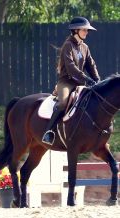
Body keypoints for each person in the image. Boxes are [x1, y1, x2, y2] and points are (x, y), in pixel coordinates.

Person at [42, 16, 100, 145]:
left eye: (87, 30)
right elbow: (71, 68)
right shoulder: (67, 46)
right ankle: (49, 132)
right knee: (63, 103)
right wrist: (86, 79)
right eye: (84, 30)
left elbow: (91, 65)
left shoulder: (85, 47)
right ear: (75, 30)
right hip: (66, 82)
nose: (86, 32)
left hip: (80, 83)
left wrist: (97, 79)